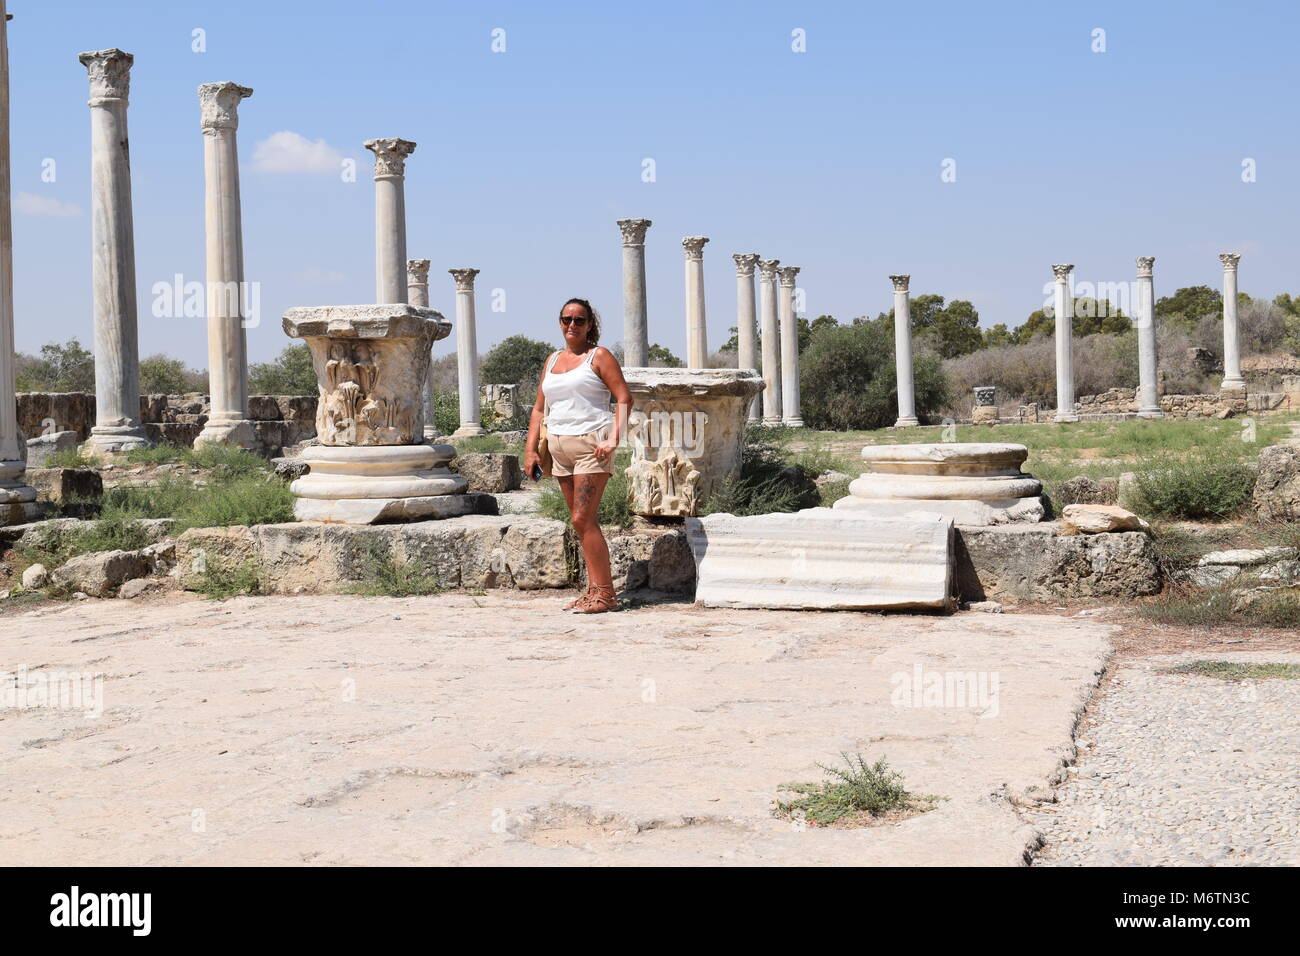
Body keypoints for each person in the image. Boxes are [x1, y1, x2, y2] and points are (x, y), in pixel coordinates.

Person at [523, 298, 633, 614]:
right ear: (560, 322)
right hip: (558, 449)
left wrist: (614, 438)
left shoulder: (598, 357)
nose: (572, 325)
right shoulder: (552, 360)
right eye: (567, 318)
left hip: (591, 445)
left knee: (582, 518)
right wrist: (530, 450)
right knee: (580, 523)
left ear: (590, 325)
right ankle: (594, 590)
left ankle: (606, 594)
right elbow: (539, 408)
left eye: (580, 320)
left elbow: (624, 398)